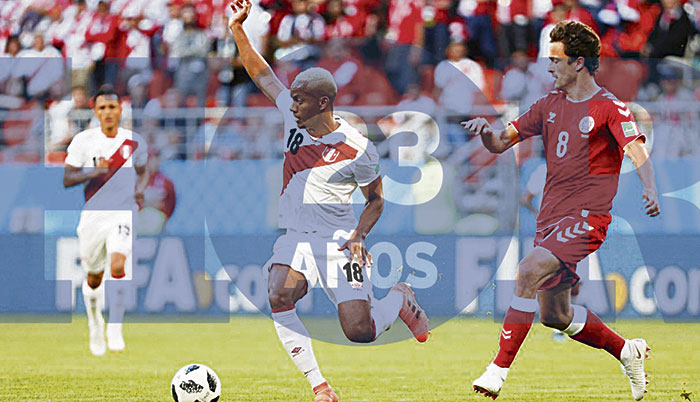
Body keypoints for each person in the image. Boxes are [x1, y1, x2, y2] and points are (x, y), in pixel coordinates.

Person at [228, 1, 430, 401]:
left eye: (300, 100)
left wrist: (359, 235)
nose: (292, 105)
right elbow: (261, 73)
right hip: (296, 236)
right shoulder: (291, 117)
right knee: (278, 293)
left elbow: (376, 200)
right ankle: (319, 387)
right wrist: (238, 29)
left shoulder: (358, 147)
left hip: (339, 240)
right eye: (292, 99)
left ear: (323, 103)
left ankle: (399, 298)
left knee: (360, 332)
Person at [462, 20, 660, 400]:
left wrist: (649, 186)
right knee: (555, 315)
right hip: (550, 218)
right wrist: (486, 132)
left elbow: (636, 149)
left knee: (527, 270)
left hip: (587, 218)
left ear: (579, 62)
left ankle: (496, 371)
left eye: (555, 60)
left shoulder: (609, 108)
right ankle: (626, 350)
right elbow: (500, 143)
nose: (549, 67)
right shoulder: (547, 105)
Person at [63, 84, 149, 356]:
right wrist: (93, 172)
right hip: (93, 216)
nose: (108, 112)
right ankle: (94, 322)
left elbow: (144, 171)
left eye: (112, 107)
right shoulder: (83, 141)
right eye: (102, 107)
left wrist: (140, 190)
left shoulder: (134, 141)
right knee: (93, 278)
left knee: (118, 264)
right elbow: (67, 179)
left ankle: (116, 325)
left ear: (120, 109)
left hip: (122, 213)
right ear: (95, 111)